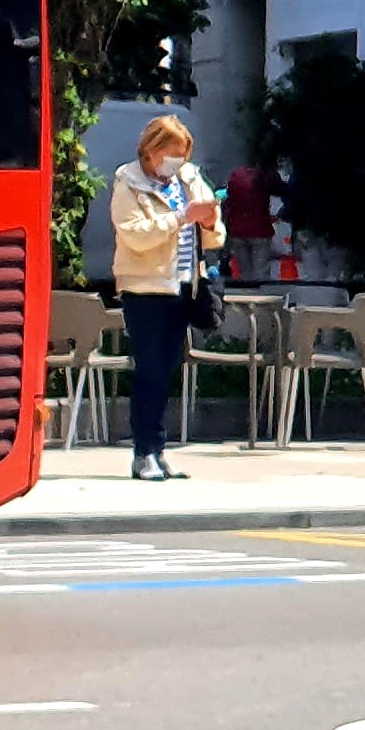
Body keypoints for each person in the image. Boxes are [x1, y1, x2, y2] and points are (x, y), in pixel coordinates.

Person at [108, 112, 224, 478]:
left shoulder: (189, 178)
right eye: (171, 154)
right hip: (145, 290)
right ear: (151, 151)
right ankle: (143, 453)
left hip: (184, 285)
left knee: (168, 370)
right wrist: (180, 218)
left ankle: (158, 451)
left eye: (183, 155)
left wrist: (208, 221)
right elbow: (134, 235)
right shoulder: (128, 183)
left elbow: (216, 234)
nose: (178, 163)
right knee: (150, 371)